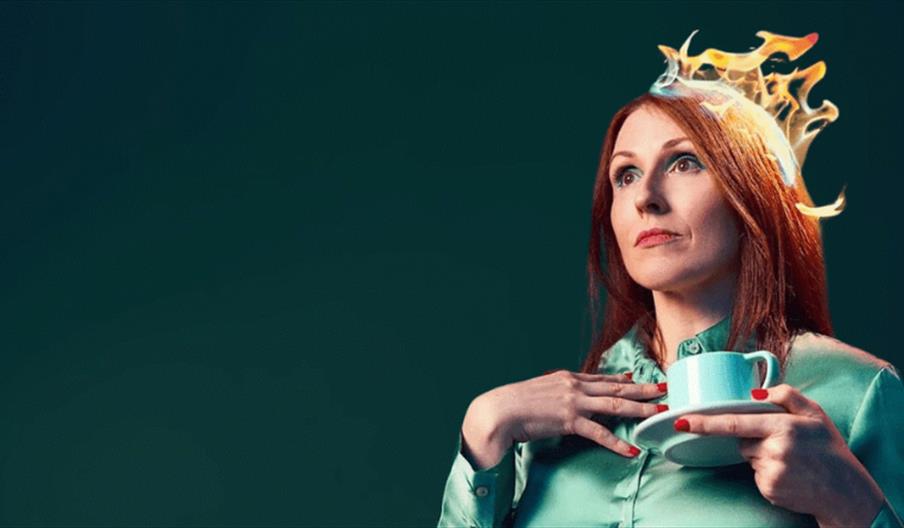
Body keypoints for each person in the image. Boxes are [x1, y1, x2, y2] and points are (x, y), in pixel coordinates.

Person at [436, 30, 904, 528]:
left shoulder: (853, 391)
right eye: (626, 175)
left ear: (751, 194)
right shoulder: (548, 427)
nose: (645, 198)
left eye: (684, 163)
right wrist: (484, 429)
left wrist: (851, 504)